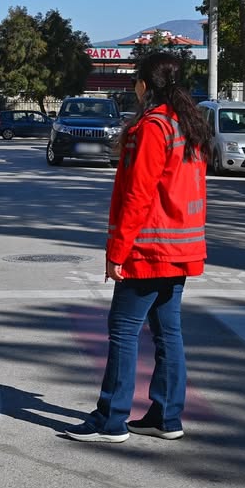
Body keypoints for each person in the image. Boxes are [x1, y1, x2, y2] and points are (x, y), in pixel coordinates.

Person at [65, 52, 210, 443]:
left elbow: (137, 195)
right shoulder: (188, 126)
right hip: (181, 247)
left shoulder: (152, 128)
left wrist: (117, 252)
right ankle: (166, 415)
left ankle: (111, 419)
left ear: (145, 84)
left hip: (149, 249)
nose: (134, 87)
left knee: (124, 330)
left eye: (136, 81)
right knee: (168, 333)